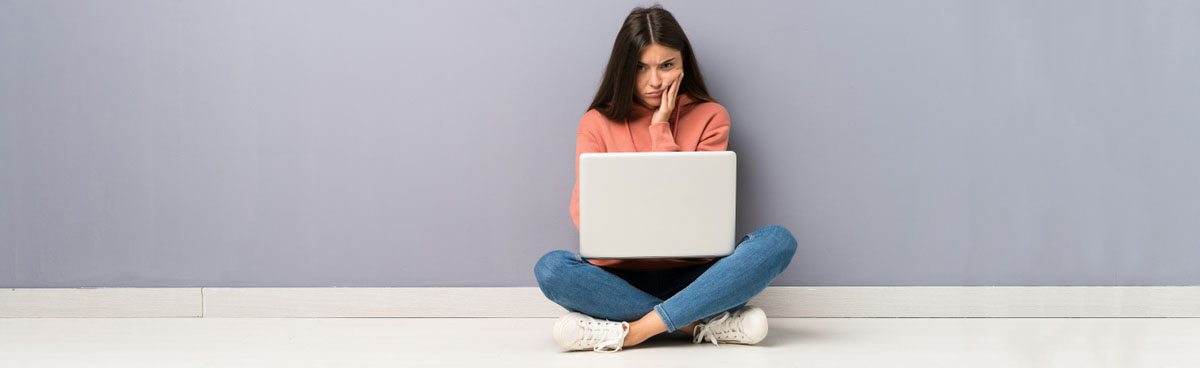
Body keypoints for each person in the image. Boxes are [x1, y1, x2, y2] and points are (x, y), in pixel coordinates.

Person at [533, 5, 797, 353]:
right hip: (617, 277)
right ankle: (695, 325)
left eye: (666, 66)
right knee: (551, 269)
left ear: (683, 65)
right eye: (640, 67)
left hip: (696, 276)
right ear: (623, 68)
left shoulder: (710, 117)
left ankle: (631, 332)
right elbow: (585, 216)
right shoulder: (596, 122)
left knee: (777, 241)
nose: (654, 81)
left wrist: (661, 127)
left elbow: (698, 205)